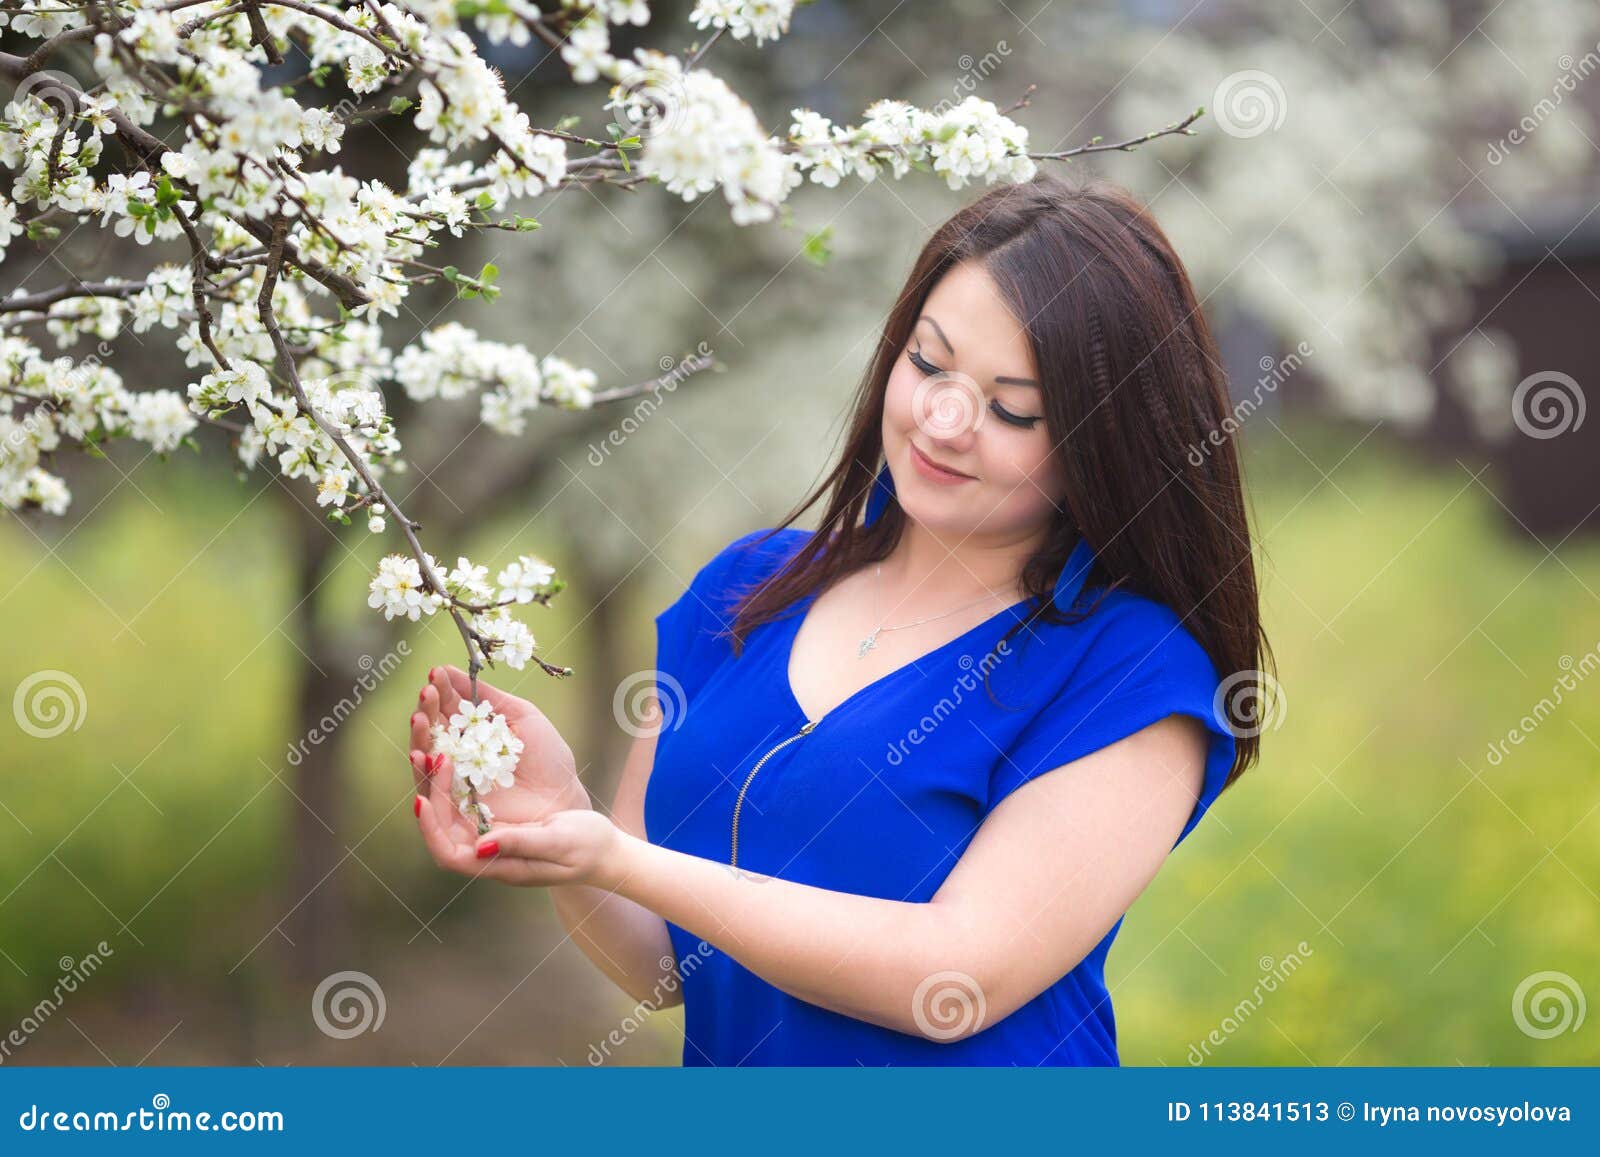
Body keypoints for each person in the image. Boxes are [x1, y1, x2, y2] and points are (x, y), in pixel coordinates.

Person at [406, 172, 1272, 1065]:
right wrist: (568, 828)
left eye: (1013, 406)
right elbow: (666, 967)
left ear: (1105, 436)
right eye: (928, 362)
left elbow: (957, 980)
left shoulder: (1129, 671)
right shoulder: (743, 591)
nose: (941, 419)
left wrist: (619, 859)